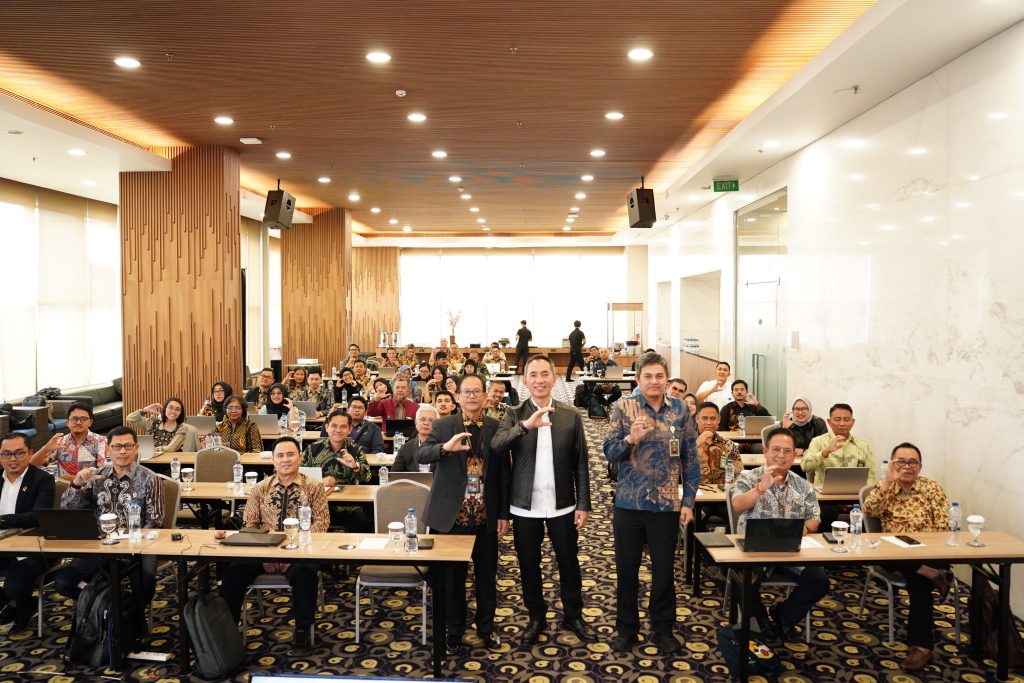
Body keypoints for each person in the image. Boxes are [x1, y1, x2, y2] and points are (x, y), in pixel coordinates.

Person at [492, 355, 594, 644]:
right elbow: (497, 446)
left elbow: (581, 463)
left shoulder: (570, 415)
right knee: (528, 564)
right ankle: (536, 616)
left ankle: (573, 615)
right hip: (524, 505)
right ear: (524, 381)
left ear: (554, 378)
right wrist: (525, 425)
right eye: (533, 375)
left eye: (545, 374)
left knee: (569, 563)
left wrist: (583, 503)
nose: (539, 380)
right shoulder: (514, 413)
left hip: (563, 504)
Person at [603, 353, 699, 654]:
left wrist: (688, 501)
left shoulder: (680, 410)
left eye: (659, 376)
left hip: (666, 505)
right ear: (638, 379)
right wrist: (630, 439)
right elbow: (609, 452)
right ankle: (627, 630)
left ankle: (662, 628)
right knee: (626, 571)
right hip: (628, 503)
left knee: (663, 572)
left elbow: (690, 459)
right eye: (648, 376)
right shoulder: (622, 407)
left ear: (666, 379)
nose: (654, 382)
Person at [419, 374, 511, 653]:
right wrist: (444, 449)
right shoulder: (443, 425)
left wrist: (503, 514)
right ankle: (454, 631)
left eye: (477, 391)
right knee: (452, 580)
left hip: (485, 516)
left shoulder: (496, 427)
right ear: (457, 397)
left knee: (486, 577)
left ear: (485, 396)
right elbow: (422, 455)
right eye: (466, 392)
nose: (472, 396)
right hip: (451, 517)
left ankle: (486, 629)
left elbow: (504, 474)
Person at [221, 436, 329, 655]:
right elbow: (250, 526)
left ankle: (302, 631)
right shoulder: (260, 489)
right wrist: (265, 555)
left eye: (290, 454)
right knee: (233, 572)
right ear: (273, 460)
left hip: (300, 552)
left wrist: (294, 553)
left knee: (306, 574)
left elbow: (321, 524)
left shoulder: (314, 487)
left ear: (300, 457)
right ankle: (228, 632)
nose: (285, 460)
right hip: (264, 552)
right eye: (280, 455)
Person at [730, 427, 828, 642]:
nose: (781, 455)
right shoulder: (749, 477)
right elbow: (737, 505)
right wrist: (760, 488)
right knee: (744, 578)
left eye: (787, 451)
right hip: (754, 550)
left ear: (794, 455)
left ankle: (783, 615)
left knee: (819, 580)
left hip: (791, 550)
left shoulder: (803, 485)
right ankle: (760, 623)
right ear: (765, 451)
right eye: (776, 450)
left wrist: (801, 529)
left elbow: (814, 519)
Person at [57, 426, 165, 618]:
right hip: (100, 545)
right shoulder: (95, 476)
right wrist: (77, 484)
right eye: (117, 446)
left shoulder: (150, 478)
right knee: (64, 581)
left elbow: (155, 522)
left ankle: (130, 619)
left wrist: (130, 541)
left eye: (127, 446)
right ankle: (110, 608)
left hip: (137, 547)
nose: (122, 451)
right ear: (108, 449)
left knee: (145, 583)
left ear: (136, 448)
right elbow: (68, 511)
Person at [863, 443, 951, 671]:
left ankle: (922, 647)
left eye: (913, 462)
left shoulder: (932, 488)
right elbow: (869, 511)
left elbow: (943, 526)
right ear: (892, 464)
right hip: (894, 552)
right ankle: (933, 575)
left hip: (929, 550)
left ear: (920, 467)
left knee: (918, 584)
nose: (907, 466)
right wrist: (886, 483)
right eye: (900, 462)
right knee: (887, 552)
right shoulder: (884, 487)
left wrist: (924, 548)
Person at [0, 433, 55, 629]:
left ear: (30, 453)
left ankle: (15, 604)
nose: (12, 459)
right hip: (2, 546)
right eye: (6, 454)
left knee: (14, 586)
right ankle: (17, 604)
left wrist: (3, 521)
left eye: (18, 453)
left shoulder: (43, 479)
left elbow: (38, 516)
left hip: (33, 549)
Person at [301, 411, 372, 532]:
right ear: (327, 427)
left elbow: (367, 477)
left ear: (349, 430)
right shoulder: (312, 449)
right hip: (316, 503)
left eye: (343, 427)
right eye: (334, 426)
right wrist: (320, 482)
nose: (338, 430)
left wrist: (355, 466)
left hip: (348, 505)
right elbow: (299, 477)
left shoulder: (355, 450)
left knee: (363, 521)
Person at [801, 403, 876, 486]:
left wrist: (862, 490)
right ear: (829, 422)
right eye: (837, 420)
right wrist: (825, 452)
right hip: (824, 492)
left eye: (846, 419)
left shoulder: (863, 444)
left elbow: (871, 475)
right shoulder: (818, 441)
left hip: (855, 492)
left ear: (852, 422)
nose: (842, 423)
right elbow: (805, 467)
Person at [31, 401, 106, 479]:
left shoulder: (101, 441)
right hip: (64, 486)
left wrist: (73, 479)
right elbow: (32, 464)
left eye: (83, 419)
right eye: (74, 419)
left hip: (90, 486)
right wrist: (45, 448)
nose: (78, 422)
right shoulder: (59, 442)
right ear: (67, 423)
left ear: (90, 422)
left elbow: (105, 474)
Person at [695, 402, 743, 486]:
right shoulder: (686, 445)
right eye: (704, 418)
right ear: (697, 419)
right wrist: (695, 445)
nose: (709, 422)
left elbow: (738, 474)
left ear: (719, 420)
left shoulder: (728, 445)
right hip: (696, 491)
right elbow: (676, 470)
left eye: (713, 418)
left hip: (722, 491)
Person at [392, 404, 438, 472]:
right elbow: (394, 474)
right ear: (416, 423)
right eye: (422, 419)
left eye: (431, 420)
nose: (426, 423)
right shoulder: (406, 448)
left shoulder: (443, 446)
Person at [587, 348, 622, 418]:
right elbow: (595, 378)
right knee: (595, 391)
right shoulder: (596, 364)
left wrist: (612, 385)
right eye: (602, 352)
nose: (604, 353)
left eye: (605, 352)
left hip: (612, 384)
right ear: (599, 354)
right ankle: (604, 403)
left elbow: (617, 378)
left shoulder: (614, 364)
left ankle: (608, 402)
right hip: (600, 384)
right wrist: (601, 385)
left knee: (618, 392)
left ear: (608, 354)